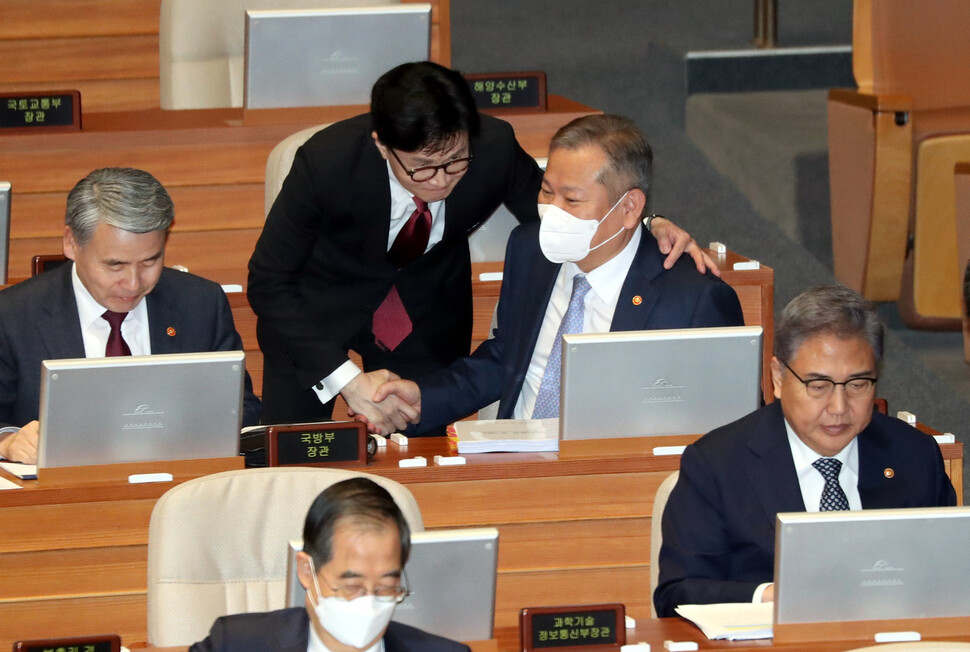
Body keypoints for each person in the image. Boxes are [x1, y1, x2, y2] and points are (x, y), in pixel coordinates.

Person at [248, 62, 715, 435]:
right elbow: (268, 282)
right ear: (381, 144)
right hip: (315, 315)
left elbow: (566, 212)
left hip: (422, 317)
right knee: (292, 455)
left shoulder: (490, 149)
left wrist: (649, 222)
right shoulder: (325, 163)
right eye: (422, 169)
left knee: (422, 456)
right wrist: (348, 382)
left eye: (454, 162)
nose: (441, 181)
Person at [373, 114, 744, 433]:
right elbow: (507, 356)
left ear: (630, 207)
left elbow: (732, 423)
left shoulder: (694, 299)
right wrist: (424, 399)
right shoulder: (530, 249)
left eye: (572, 200)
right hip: (511, 460)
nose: (552, 212)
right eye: (547, 192)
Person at [654, 285, 957, 618]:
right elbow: (677, 594)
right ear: (779, 378)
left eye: (857, 385)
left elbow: (951, 577)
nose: (839, 408)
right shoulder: (717, 465)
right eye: (818, 386)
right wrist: (770, 596)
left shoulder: (914, 456)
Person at [0, 167, 261, 464]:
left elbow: (242, 409)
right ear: (71, 243)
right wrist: (7, 441)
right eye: (115, 265)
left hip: (174, 483)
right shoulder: (12, 315)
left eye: (150, 261)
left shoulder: (199, 303)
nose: (134, 283)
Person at [190, 477, 469, 652]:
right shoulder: (234, 645)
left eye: (386, 587)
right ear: (307, 572)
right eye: (352, 586)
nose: (369, 605)